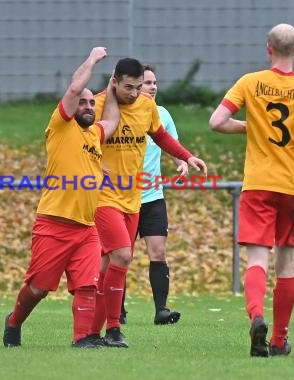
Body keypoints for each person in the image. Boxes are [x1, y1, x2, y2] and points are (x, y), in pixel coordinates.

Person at [209, 23, 294, 357]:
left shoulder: (250, 82)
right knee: (287, 262)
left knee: (257, 259)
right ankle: (278, 341)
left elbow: (216, 122)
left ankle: (256, 316)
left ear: (268, 48)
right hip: (293, 186)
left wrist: (249, 126)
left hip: (258, 184)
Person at [2, 47, 120, 348]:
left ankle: (84, 338)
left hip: (85, 227)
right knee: (39, 288)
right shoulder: (61, 125)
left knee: (88, 284)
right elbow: (75, 87)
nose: (87, 105)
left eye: (92, 103)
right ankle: (14, 321)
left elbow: (112, 121)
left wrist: (113, 89)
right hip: (54, 224)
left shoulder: (94, 134)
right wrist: (93, 59)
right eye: (82, 102)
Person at [91, 58, 208, 348]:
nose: (134, 93)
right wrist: (91, 160)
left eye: (139, 86)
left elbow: (160, 135)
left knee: (110, 264)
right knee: (122, 255)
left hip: (136, 198)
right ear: (114, 81)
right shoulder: (95, 105)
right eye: (128, 87)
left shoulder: (147, 106)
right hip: (103, 197)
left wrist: (186, 156)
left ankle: (90, 330)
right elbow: (76, 139)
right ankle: (114, 328)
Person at [119, 65, 187, 326]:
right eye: (147, 83)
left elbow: (169, 143)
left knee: (158, 253)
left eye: (154, 82)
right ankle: (118, 311)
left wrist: (181, 161)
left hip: (152, 196)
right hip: (123, 197)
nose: (153, 87)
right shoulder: (121, 114)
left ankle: (161, 311)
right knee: (120, 256)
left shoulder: (162, 114)